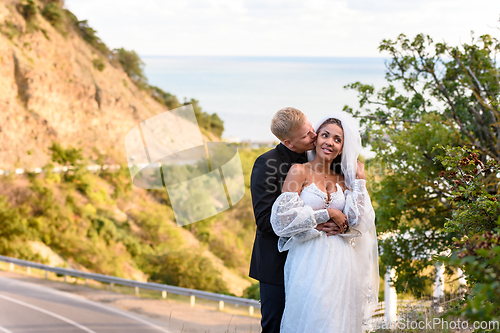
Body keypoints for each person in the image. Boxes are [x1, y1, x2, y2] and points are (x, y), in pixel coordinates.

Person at [270, 112, 379, 332]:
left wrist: (359, 181)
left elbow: (359, 221)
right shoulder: (298, 171)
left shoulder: (344, 181)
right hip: (308, 258)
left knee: (336, 323)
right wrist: (327, 213)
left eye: (337, 139)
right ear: (316, 138)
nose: (329, 142)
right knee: (312, 318)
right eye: (325, 135)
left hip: (342, 260)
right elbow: (281, 221)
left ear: (342, 147)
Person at [249, 107, 344, 333]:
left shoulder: (319, 155)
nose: (314, 136)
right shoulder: (267, 163)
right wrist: (317, 220)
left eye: (312, 130)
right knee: (275, 326)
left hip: (316, 262)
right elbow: (264, 221)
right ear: (288, 143)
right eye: (305, 136)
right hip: (276, 263)